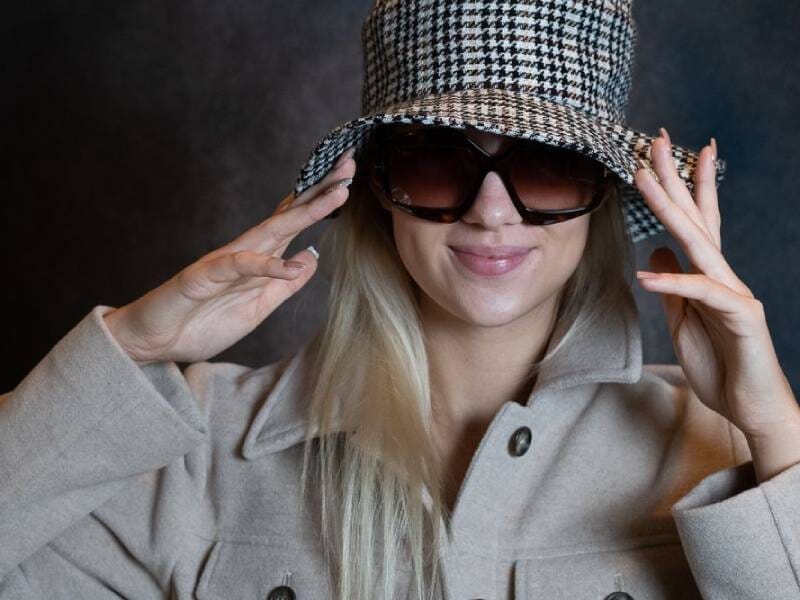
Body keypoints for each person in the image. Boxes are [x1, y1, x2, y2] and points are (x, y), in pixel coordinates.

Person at [2, 1, 800, 599]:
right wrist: (131, 350)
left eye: (547, 167)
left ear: (601, 194)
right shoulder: (198, 452)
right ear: (376, 187)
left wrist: (774, 433)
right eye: (436, 163)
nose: (493, 213)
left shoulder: (727, 457)